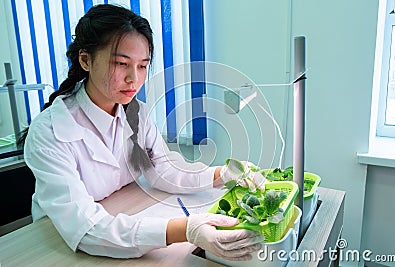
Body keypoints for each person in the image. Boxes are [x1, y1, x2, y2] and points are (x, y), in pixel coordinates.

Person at [18, 4, 265, 261]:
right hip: (55, 245)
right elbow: (86, 228)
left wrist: (222, 174)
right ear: (85, 60)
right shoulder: (50, 132)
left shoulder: (135, 112)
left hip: (122, 209)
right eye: (121, 63)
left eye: (142, 66)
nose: (133, 79)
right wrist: (185, 229)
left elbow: (162, 169)